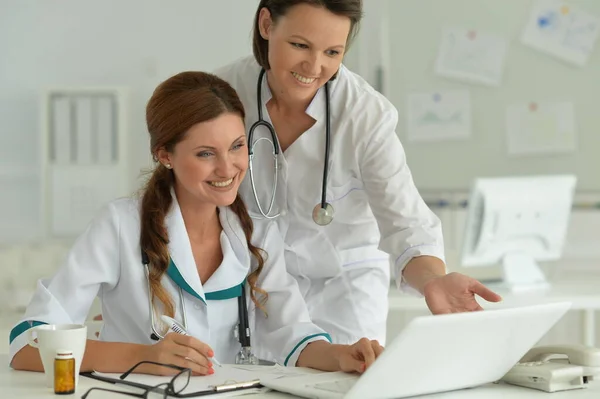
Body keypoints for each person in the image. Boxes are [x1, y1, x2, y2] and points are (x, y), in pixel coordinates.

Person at [9, 71, 383, 376]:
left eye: (237, 146)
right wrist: (140, 356)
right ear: (165, 154)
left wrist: (342, 356)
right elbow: (27, 346)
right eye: (206, 153)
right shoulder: (121, 224)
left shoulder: (258, 230)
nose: (228, 168)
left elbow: (293, 336)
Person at [214, 0, 502, 346]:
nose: (314, 66)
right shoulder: (221, 94)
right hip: (253, 283)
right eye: (300, 45)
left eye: (332, 52)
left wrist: (432, 281)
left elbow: (406, 222)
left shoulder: (365, 114)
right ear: (266, 24)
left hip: (345, 289)